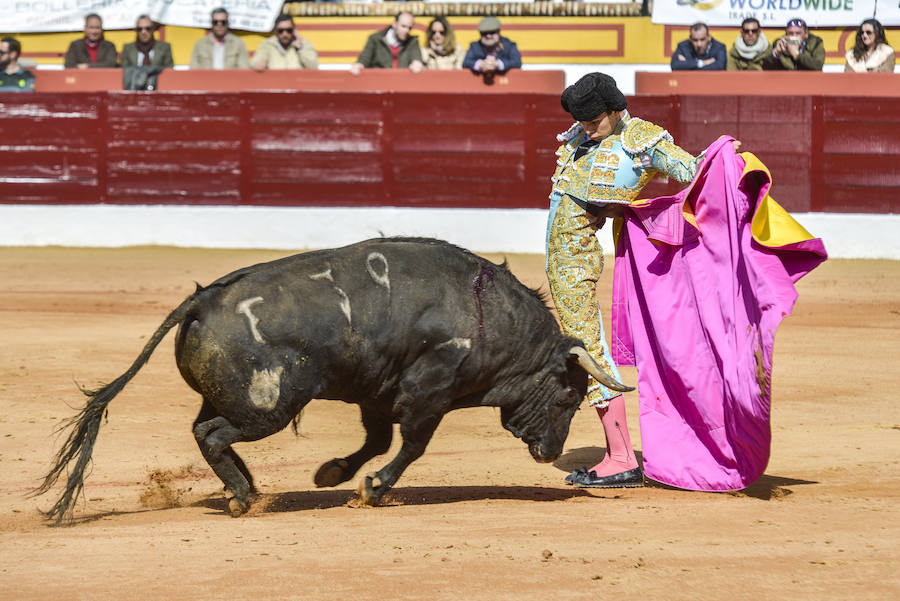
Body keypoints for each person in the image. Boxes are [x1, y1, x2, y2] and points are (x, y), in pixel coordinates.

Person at [546, 72, 742, 488]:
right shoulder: (586, 135)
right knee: (581, 347)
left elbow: (689, 168)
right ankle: (616, 451)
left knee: (587, 348)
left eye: (594, 120)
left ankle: (620, 457)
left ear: (616, 110)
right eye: (581, 120)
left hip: (576, 267)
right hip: (566, 266)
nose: (585, 128)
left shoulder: (641, 140)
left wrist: (721, 158)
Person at [350, 12, 423, 75]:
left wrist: (417, 63)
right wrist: (359, 65)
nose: (407, 30)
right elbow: (364, 59)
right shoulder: (375, 39)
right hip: (379, 82)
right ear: (394, 24)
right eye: (403, 26)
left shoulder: (412, 42)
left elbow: (416, 58)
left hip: (402, 82)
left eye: (409, 28)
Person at [251, 14, 318, 71]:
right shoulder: (267, 44)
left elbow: (313, 67)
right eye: (281, 31)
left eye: (288, 30)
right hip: (275, 83)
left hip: (297, 84)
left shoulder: (304, 44)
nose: (285, 34)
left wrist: (299, 47)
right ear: (275, 31)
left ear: (294, 30)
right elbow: (256, 62)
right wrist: (258, 64)